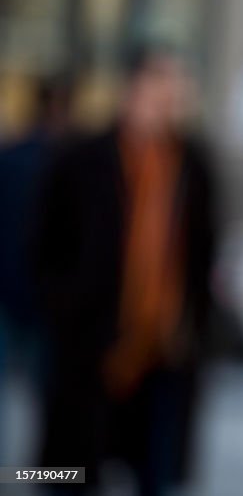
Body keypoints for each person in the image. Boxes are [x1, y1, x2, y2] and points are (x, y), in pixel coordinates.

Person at [31, 45, 219, 495]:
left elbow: (204, 252)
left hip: (164, 350)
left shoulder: (193, 164)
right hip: (91, 345)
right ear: (131, 91)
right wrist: (64, 313)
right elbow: (45, 246)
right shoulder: (83, 158)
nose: (169, 99)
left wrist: (195, 326)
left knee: (154, 473)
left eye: (175, 88)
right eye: (159, 86)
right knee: (70, 473)